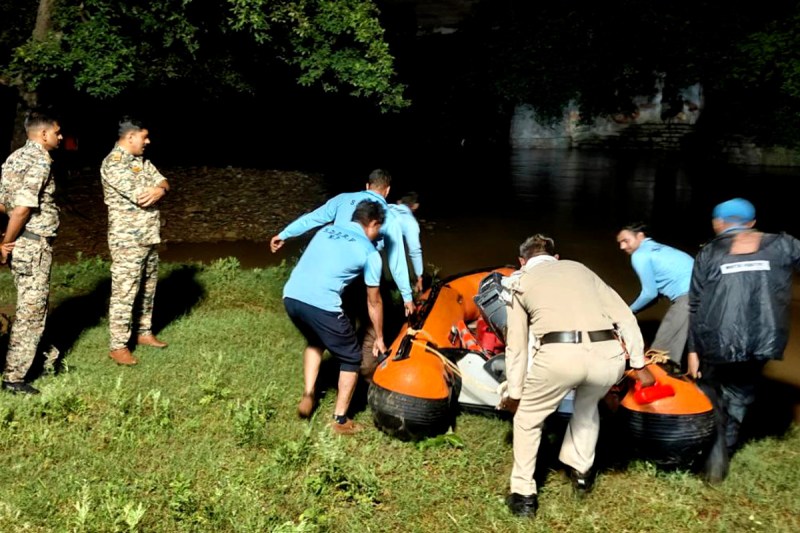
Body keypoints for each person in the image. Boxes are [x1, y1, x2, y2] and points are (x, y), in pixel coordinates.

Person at [498, 234, 654, 517]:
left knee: (527, 420)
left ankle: (523, 496)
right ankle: (581, 473)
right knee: (586, 408)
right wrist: (639, 363)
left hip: (560, 357)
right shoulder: (581, 269)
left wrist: (516, 393)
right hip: (608, 357)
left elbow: (517, 345)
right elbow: (626, 317)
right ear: (556, 258)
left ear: (522, 262)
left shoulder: (518, 281)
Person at [687, 197, 800, 483]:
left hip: (717, 340)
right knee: (739, 397)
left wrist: (693, 350)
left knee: (711, 394)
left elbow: (695, 304)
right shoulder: (784, 245)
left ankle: (713, 460)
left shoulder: (709, 252)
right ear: (751, 222)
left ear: (718, 223)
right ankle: (723, 451)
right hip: (764, 338)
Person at [270, 169, 414, 381]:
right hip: (367, 275)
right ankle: (364, 375)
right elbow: (396, 259)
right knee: (370, 328)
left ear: (367, 185)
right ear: (387, 191)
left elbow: (312, 219)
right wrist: (407, 296)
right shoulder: (388, 216)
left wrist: (285, 234)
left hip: (336, 279)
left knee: (331, 323)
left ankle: (327, 371)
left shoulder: (343, 199)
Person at [282, 199, 387, 434]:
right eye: (379, 229)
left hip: (291, 297)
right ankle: (340, 420)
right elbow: (374, 301)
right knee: (350, 356)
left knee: (315, 341)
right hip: (321, 305)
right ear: (373, 223)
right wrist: (379, 337)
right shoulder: (370, 252)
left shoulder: (325, 231)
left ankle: (309, 393)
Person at [0, 110, 63, 394]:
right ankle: (14, 377)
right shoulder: (40, 160)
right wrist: (5, 241)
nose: (60, 137)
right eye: (58, 132)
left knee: (33, 305)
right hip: (32, 243)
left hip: (21, 241)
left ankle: (46, 358)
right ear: (44, 134)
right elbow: (23, 208)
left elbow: (3, 204)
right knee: (31, 311)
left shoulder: (14, 158)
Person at [101, 116, 170, 366]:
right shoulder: (114, 164)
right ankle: (118, 346)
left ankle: (143, 332)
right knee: (125, 290)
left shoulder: (139, 162)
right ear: (130, 137)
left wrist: (160, 189)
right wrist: (154, 191)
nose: (148, 141)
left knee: (148, 288)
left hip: (148, 235)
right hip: (127, 240)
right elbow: (141, 196)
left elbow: (163, 181)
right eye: (144, 136)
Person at [617, 223, 694, 365]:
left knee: (660, 352)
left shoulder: (640, 255)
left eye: (625, 241)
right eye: (620, 243)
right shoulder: (660, 249)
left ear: (640, 236)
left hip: (688, 297)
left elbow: (649, 293)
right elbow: (655, 295)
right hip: (706, 294)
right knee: (689, 347)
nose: (622, 247)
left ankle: (660, 382)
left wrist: (626, 313)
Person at [389, 191, 424, 294]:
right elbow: (415, 251)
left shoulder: (386, 207)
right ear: (415, 206)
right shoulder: (410, 222)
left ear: (399, 202)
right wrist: (419, 278)